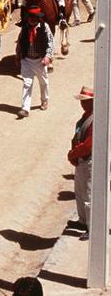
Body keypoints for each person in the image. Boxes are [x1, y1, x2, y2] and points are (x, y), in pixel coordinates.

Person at [16, 7, 54, 118]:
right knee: (27, 83)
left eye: (33, 18)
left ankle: (44, 100)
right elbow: (20, 41)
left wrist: (48, 57)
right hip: (27, 60)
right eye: (30, 17)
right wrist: (18, 55)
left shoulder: (44, 27)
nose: (31, 20)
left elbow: (51, 42)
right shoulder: (25, 27)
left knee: (43, 82)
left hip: (39, 60)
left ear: (38, 18)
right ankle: (25, 108)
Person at [68, 85, 94, 239]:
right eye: (82, 101)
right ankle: (83, 220)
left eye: (86, 101)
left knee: (89, 194)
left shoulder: (94, 119)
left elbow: (89, 145)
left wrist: (73, 153)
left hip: (88, 160)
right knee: (79, 191)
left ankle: (92, 227)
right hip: (80, 160)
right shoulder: (85, 117)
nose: (83, 104)